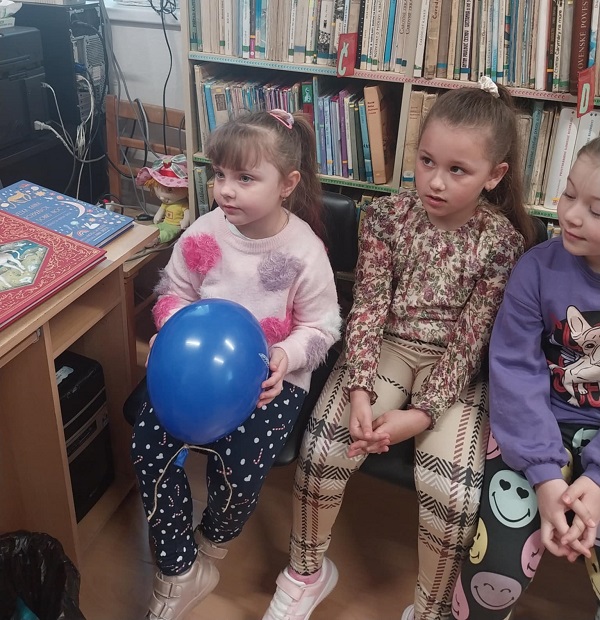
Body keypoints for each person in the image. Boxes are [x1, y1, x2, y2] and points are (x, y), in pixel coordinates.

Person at [263, 78, 537, 620]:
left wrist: (421, 415)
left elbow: (471, 340)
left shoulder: (503, 242)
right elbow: (367, 307)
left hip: (453, 369)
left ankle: (430, 610)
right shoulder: (387, 217)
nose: (435, 181)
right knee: (324, 446)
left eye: (457, 170)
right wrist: (360, 390)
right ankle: (306, 572)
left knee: (451, 490)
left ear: (494, 175)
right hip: (385, 347)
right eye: (426, 160)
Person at [132, 109, 342, 620]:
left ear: (287, 184)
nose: (225, 190)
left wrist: (286, 355)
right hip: (191, 375)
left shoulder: (304, 251)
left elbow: (323, 327)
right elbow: (173, 291)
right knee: (148, 445)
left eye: (245, 178)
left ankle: (214, 539)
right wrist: (172, 331)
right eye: (219, 174)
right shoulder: (203, 233)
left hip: (270, 380)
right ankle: (179, 567)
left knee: (238, 469)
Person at [451, 138, 600, 620]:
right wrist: (545, 476)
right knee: (495, 571)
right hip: (535, 430)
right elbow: (515, 369)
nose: (570, 215)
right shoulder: (537, 267)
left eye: (596, 210)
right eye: (569, 194)